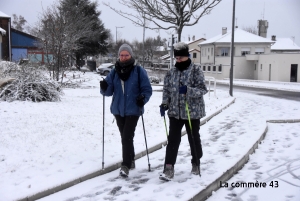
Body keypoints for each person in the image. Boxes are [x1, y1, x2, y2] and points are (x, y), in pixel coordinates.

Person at [100, 44, 152, 177]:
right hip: (118, 110)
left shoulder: (138, 71)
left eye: (126, 55)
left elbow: (147, 90)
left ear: (131, 55)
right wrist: (104, 87)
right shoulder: (114, 72)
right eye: (121, 55)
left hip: (133, 109)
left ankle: (126, 165)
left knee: (126, 136)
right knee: (126, 137)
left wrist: (143, 98)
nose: (123, 57)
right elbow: (108, 92)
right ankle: (131, 159)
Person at [159, 42, 208, 181]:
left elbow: (203, 89)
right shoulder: (171, 72)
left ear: (187, 56)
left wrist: (189, 90)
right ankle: (168, 168)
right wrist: (164, 104)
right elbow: (166, 90)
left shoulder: (195, 70)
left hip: (192, 112)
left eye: (180, 58)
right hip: (175, 112)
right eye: (176, 58)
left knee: (193, 139)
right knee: (173, 140)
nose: (178, 60)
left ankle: (196, 162)